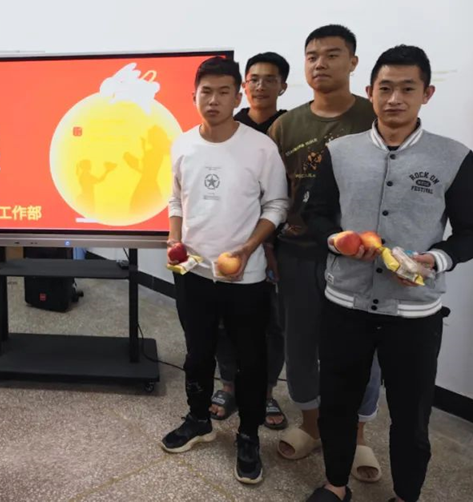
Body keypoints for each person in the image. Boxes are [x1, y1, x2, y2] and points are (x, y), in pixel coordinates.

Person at [303, 45, 473, 502]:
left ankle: (405, 494)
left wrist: (435, 260)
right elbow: (317, 215)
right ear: (370, 91)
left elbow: (472, 232)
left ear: (427, 93)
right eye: (385, 88)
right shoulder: (340, 151)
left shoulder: (453, 156)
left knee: (411, 414)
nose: (395, 99)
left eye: (407, 88)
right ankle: (335, 484)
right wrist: (336, 240)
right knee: (337, 402)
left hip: (415, 312)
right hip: (345, 303)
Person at [161, 57, 288, 485]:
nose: (213, 100)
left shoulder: (260, 148)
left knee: (251, 359)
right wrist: (173, 240)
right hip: (193, 272)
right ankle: (198, 419)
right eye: (206, 92)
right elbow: (176, 200)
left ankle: (248, 435)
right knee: (197, 352)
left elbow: (277, 205)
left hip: (245, 278)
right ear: (193, 96)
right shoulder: (182, 144)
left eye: (223, 92)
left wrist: (249, 248)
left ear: (238, 97)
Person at [268, 25, 383, 481]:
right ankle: (311, 426)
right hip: (298, 253)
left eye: (332, 54)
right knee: (299, 345)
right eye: (312, 55)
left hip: (360, 258)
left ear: (353, 62)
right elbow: (271, 194)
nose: (320, 63)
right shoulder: (286, 125)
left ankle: (357, 436)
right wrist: (270, 248)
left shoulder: (374, 117)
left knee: (362, 350)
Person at [211, 52, 289, 430]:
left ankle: (267, 391)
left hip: (280, 242)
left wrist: (270, 244)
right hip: (231, 242)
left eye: (270, 79)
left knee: (273, 323)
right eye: (254, 79)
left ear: (283, 86)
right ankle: (228, 385)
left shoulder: (290, 128)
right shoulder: (229, 126)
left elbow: (283, 196)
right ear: (243, 87)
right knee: (224, 321)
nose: (261, 86)